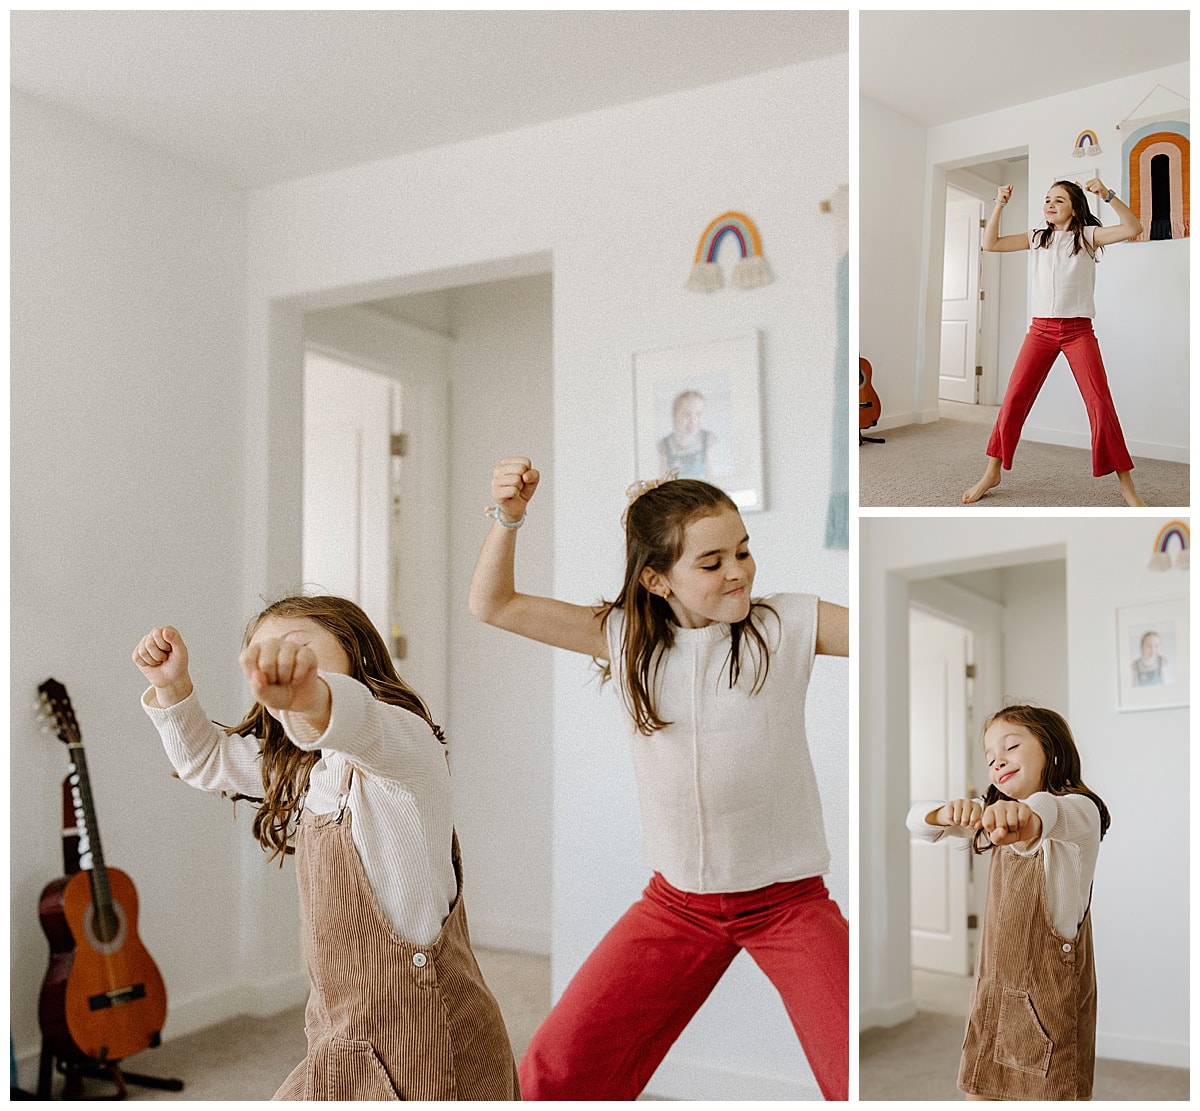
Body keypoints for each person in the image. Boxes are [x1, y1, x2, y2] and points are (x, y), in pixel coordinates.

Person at [469, 457, 849, 1100]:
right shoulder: (623, 638)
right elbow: (494, 604)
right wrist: (510, 518)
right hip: (677, 906)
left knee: (853, 1079)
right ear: (657, 579)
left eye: (744, 551)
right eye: (711, 562)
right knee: (554, 1071)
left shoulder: (783, 624)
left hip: (788, 903)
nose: (739, 572)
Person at [132, 596, 519, 1101]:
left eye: (295, 648)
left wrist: (314, 698)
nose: (276, 660)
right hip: (340, 1036)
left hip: (431, 1041)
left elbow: (363, 723)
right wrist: (172, 686)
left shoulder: (406, 749)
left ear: (354, 653)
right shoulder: (309, 773)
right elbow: (206, 760)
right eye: (262, 654)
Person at [907, 705, 1110, 1100]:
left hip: (1049, 1014)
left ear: (1051, 750)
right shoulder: (990, 819)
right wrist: (944, 812)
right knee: (979, 1095)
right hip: (992, 1002)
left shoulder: (1079, 813)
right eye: (989, 757)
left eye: (1011, 746)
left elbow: (1048, 813)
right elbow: (916, 822)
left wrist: (1025, 817)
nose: (998, 760)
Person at [962, 179, 1145, 507]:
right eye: (1047, 200)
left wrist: (1108, 195)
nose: (1049, 205)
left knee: (1100, 405)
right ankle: (992, 471)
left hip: (1078, 332)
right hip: (1040, 331)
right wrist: (999, 203)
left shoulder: (1088, 237)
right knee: (1014, 399)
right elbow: (990, 244)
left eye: (1058, 200)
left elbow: (1133, 226)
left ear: (1074, 208)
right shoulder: (1037, 237)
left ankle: (1126, 485)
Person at [657, 389, 713, 478]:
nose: (693, 420)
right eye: (686, 414)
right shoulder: (664, 445)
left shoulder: (708, 439)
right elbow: (661, 479)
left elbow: (712, 475)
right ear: (674, 415)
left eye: (698, 414)